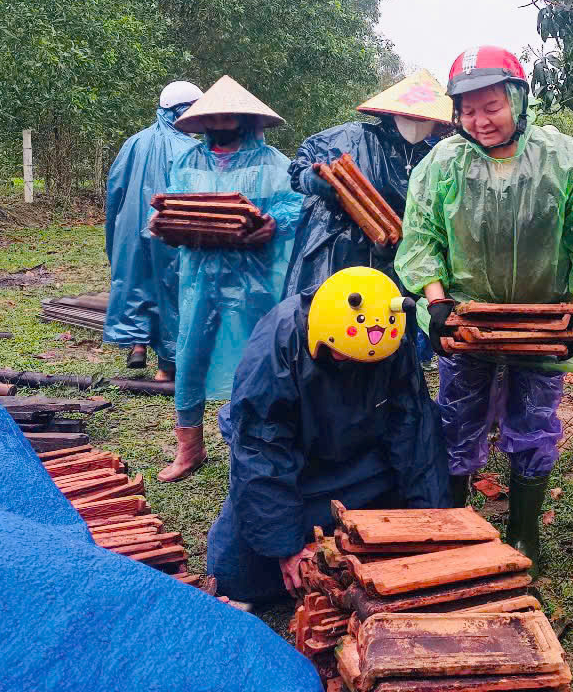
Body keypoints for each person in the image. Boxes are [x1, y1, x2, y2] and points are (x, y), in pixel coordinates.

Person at [395, 46, 573, 563]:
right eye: (467, 110)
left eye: (491, 106)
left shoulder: (563, 158)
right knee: (457, 418)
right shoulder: (442, 164)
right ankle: (454, 524)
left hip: (545, 322)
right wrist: (437, 303)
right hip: (467, 323)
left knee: (534, 419)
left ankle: (522, 531)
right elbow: (422, 236)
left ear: (517, 99)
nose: (480, 120)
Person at [207, 267, 449, 607]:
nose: (352, 367)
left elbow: (415, 432)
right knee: (238, 573)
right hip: (297, 462)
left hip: (361, 458)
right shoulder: (277, 344)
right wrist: (285, 548)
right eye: (343, 357)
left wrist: (431, 526)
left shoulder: (393, 337)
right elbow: (262, 449)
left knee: (404, 520)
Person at [153, 75, 303, 483]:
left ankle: (254, 445)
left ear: (242, 117)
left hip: (255, 279)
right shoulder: (188, 162)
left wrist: (274, 222)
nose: (219, 122)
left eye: (227, 114)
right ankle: (190, 448)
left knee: (255, 358)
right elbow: (173, 204)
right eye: (212, 115)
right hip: (199, 276)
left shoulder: (271, 162)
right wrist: (166, 223)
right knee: (191, 353)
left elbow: (298, 206)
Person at [283, 69, 451, 299]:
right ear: (393, 114)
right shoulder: (354, 136)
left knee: (381, 325)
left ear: (436, 124)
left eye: (423, 119)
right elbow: (303, 161)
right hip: (333, 251)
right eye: (411, 116)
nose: (416, 124)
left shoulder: (434, 160)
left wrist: (396, 246)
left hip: (391, 264)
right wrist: (310, 179)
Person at [103, 81, 202, 379]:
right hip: (172, 231)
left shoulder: (133, 143)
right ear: (183, 112)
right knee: (173, 289)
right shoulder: (193, 149)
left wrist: (117, 230)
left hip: (131, 229)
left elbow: (115, 189)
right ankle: (167, 366)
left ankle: (138, 346)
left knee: (136, 281)